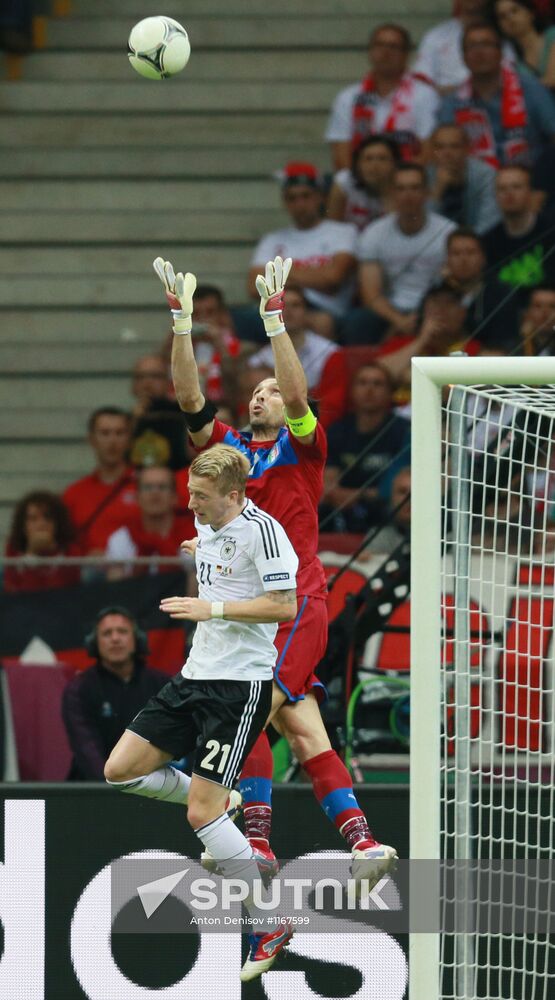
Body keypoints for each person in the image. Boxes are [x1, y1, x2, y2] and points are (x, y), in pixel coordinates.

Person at [152, 253, 397, 889]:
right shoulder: (228, 455)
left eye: (270, 392)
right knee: (299, 724)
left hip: (294, 601)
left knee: (250, 707)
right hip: (248, 608)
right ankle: (363, 844)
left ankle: (254, 843)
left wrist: (274, 322)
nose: (261, 396)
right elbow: (187, 398)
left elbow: (295, 394)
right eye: (254, 391)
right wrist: (182, 328)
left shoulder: (302, 444)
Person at [104, 445, 299, 981]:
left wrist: (209, 607)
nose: (190, 502)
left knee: (199, 813)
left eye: (201, 496)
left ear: (235, 495)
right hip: (195, 676)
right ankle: (226, 804)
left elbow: (285, 606)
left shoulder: (266, 532)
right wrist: (204, 545)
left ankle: (270, 919)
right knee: (120, 770)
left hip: (237, 689)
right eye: (190, 492)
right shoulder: (208, 521)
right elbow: (221, 549)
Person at [344, 163, 456, 345]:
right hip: (391, 310)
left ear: (427, 192)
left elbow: (453, 283)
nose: (408, 195)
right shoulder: (374, 233)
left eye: (415, 188)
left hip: (435, 307)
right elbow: (371, 294)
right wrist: (398, 320)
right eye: (401, 189)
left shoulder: (448, 231)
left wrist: (426, 315)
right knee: (358, 320)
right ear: (392, 193)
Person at [248, 162, 357, 338]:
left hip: (324, 310)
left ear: (320, 197)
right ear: (285, 202)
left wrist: (280, 273)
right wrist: (315, 276)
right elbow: (254, 286)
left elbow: (333, 278)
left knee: (320, 322)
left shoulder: (343, 232)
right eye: (292, 198)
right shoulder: (272, 239)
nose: (300, 204)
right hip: (278, 308)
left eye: (306, 196)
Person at [61, 607, 167, 780]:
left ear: (137, 639)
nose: (115, 638)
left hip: (151, 786)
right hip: (95, 791)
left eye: (122, 631)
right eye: (107, 633)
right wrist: (113, 790)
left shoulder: (162, 685)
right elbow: (87, 750)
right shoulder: (79, 689)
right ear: (95, 642)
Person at [438, 21, 555, 167]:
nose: (479, 52)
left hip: (531, 180)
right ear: (463, 57)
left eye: (487, 44)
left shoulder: (531, 89)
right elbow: (442, 149)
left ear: (500, 52)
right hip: (475, 183)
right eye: (472, 46)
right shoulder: (453, 101)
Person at [325, 22, 439, 169]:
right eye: (379, 45)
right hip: (361, 184)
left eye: (393, 47)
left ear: (406, 55)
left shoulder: (425, 95)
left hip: (406, 184)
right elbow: (341, 160)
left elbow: (429, 153)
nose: (385, 52)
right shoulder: (348, 98)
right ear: (370, 52)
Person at [321, 363, 410, 533]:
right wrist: (334, 492)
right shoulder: (338, 430)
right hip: (340, 506)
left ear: (391, 392)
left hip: (384, 507)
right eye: (362, 383)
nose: (369, 390)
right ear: (352, 391)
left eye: (377, 384)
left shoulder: (403, 431)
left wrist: (359, 495)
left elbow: (402, 486)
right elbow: (328, 478)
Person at [247, 286, 348, 428]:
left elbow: (332, 406)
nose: (288, 311)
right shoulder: (258, 360)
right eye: (282, 305)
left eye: (296, 305)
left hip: (313, 431)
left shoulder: (330, 353)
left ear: (306, 312)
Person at [63, 407, 138, 555]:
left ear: (130, 440)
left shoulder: (147, 487)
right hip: (90, 573)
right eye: (105, 433)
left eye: (119, 433)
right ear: (92, 439)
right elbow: (65, 543)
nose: (112, 441)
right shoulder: (73, 494)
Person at [481, 165, 555, 311]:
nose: (509, 194)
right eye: (502, 189)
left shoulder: (551, 233)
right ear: (495, 195)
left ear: (531, 192)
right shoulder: (486, 242)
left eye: (516, 187)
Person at [105, 464, 194, 581]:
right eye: (147, 487)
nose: (155, 493)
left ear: (174, 497)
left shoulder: (194, 539)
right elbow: (115, 592)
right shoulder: (120, 539)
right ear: (137, 497)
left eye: (162, 487)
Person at [442, 226, 521, 348]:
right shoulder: (437, 295)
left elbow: (504, 347)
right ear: (447, 259)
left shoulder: (501, 296)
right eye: (456, 253)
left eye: (470, 252)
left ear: (483, 258)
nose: (463, 259)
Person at [413, 0, 515, 92]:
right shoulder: (435, 37)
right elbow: (420, 84)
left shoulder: (502, 36)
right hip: (444, 108)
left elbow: (510, 80)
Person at [427, 124, 501, 233]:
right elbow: (423, 227)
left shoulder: (485, 175)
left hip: (478, 244)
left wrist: (464, 247)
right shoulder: (425, 176)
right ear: (432, 150)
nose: (447, 153)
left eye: (454, 146)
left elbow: (490, 222)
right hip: (437, 247)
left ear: (467, 148)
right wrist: (437, 190)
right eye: (440, 147)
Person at [3, 490, 81, 593]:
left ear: (57, 523)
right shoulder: (13, 549)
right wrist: (31, 554)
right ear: (23, 526)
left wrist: (51, 551)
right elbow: (16, 594)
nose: (41, 524)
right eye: (33, 519)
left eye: (47, 518)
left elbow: (63, 592)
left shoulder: (70, 550)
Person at [326, 134, 400, 231]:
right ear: (358, 164)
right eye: (368, 159)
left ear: (394, 164)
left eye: (382, 158)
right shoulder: (344, 182)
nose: (375, 166)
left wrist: (386, 193)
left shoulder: (403, 185)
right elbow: (332, 228)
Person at [130, 353, 189, 469]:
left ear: (168, 382)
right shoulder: (126, 421)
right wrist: (134, 420)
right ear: (133, 385)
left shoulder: (183, 415)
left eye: (155, 376)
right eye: (141, 377)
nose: (147, 383)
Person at [493, 0, 555, 88]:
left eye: (515, 11)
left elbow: (553, 79)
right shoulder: (513, 62)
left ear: (530, 13)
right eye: (502, 16)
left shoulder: (552, 35)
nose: (510, 18)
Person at [519, 283, 555, 353]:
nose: (545, 312)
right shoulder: (512, 349)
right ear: (527, 313)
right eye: (538, 306)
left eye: (552, 306)